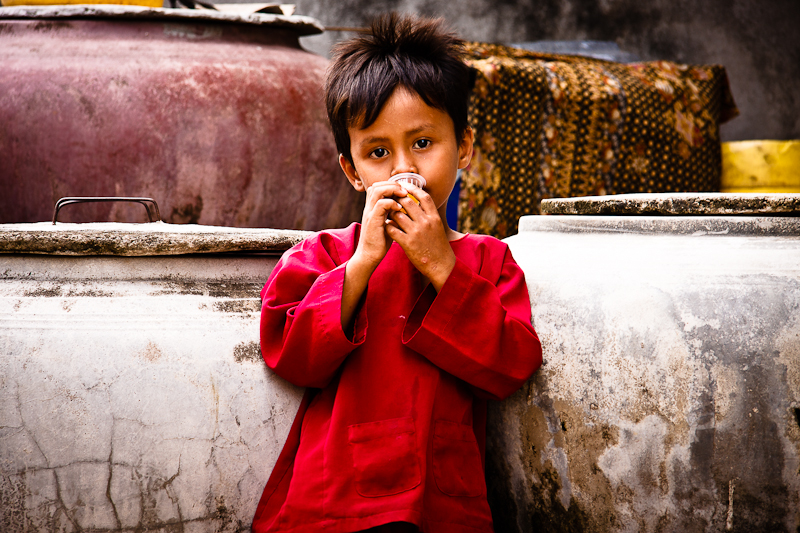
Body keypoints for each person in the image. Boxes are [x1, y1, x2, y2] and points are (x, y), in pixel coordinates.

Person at [252, 13, 542, 533]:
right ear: (352, 170)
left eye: (423, 143)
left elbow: (510, 365)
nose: (404, 170)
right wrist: (362, 261)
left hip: (440, 500)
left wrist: (439, 265)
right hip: (333, 500)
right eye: (379, 152)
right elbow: (289, 352)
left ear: (465, 148)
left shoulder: (488, 260)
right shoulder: (324, 254)